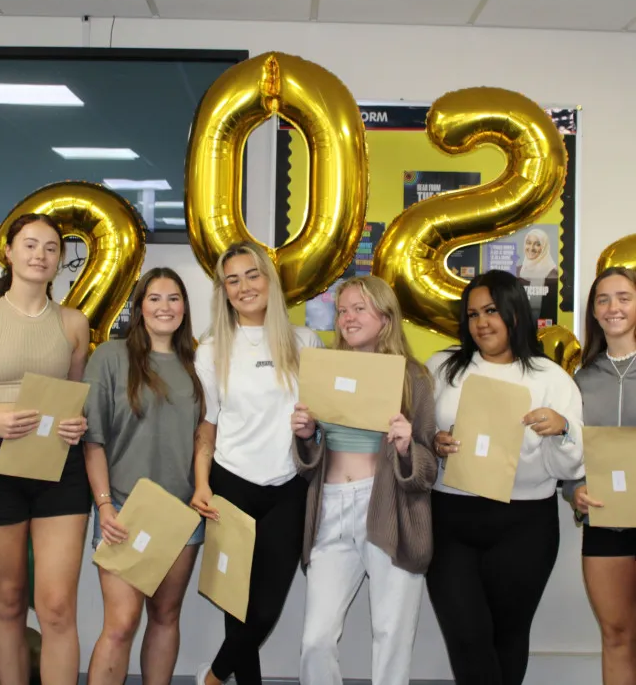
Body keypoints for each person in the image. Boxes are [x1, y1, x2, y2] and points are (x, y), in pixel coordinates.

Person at [425, 269, 584, 685]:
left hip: (525, 525)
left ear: (515, 312)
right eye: (474, 313)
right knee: (467, 637)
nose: (481, 323)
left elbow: (571, 468)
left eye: (492, 311)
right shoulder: (442, 368)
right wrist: (433, 441)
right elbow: (413, 435)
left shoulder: (553, 379)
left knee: (509, 637)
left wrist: (562, 429)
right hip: (451, 519)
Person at [0, 213, 90, 685]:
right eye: (30, 245)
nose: (40, 255)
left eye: (51, 248)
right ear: (8, 253)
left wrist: (76, 424)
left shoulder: (75, 324)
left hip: (60, 467)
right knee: (8, 599)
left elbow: (75, 398)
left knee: (56, 606)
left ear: (59, 261)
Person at [291, 275, 437, 685]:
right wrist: (306, 436)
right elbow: (307, 464)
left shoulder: (414, 378)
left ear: (386, 318)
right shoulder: (324, 370)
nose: (348, 318)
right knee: (316, 640)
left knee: (391, 637)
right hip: (331, 509)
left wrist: (409, 447)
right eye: (342, 310)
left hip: (388, 509)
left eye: (359, 308)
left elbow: (429, 469)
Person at [191, 241, 322, 685]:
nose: (244, 286)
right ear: (223, 291)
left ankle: (212, 676)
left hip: (288, 485)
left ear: (269, 279)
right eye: (233, 280)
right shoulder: (210, 349)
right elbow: (206, 426)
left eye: (252, 275)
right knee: (236, 605)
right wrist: (202, 485)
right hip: (231, 484)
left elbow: (320, 417)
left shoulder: (305, 341)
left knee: (265, 607)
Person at [83, 267, 204, 685]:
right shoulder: (111, 357)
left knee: (166, 616)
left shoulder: (197, 363)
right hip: (122, 509)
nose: (164, 307)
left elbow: (206, 436)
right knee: (120, 622)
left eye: (173, 298)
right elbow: (93, 440)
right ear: (139, 307)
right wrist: (104, 506)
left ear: (185, 307)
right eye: (154, 298)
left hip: (181, 515)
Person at [563, 266, 636, 685]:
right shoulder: (580, 380)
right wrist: (575, 491)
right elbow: (568, 453)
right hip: (605, 522)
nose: (613, 308)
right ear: (593, 311)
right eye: (603, 299)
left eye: (624, 297)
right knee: (616, 634)